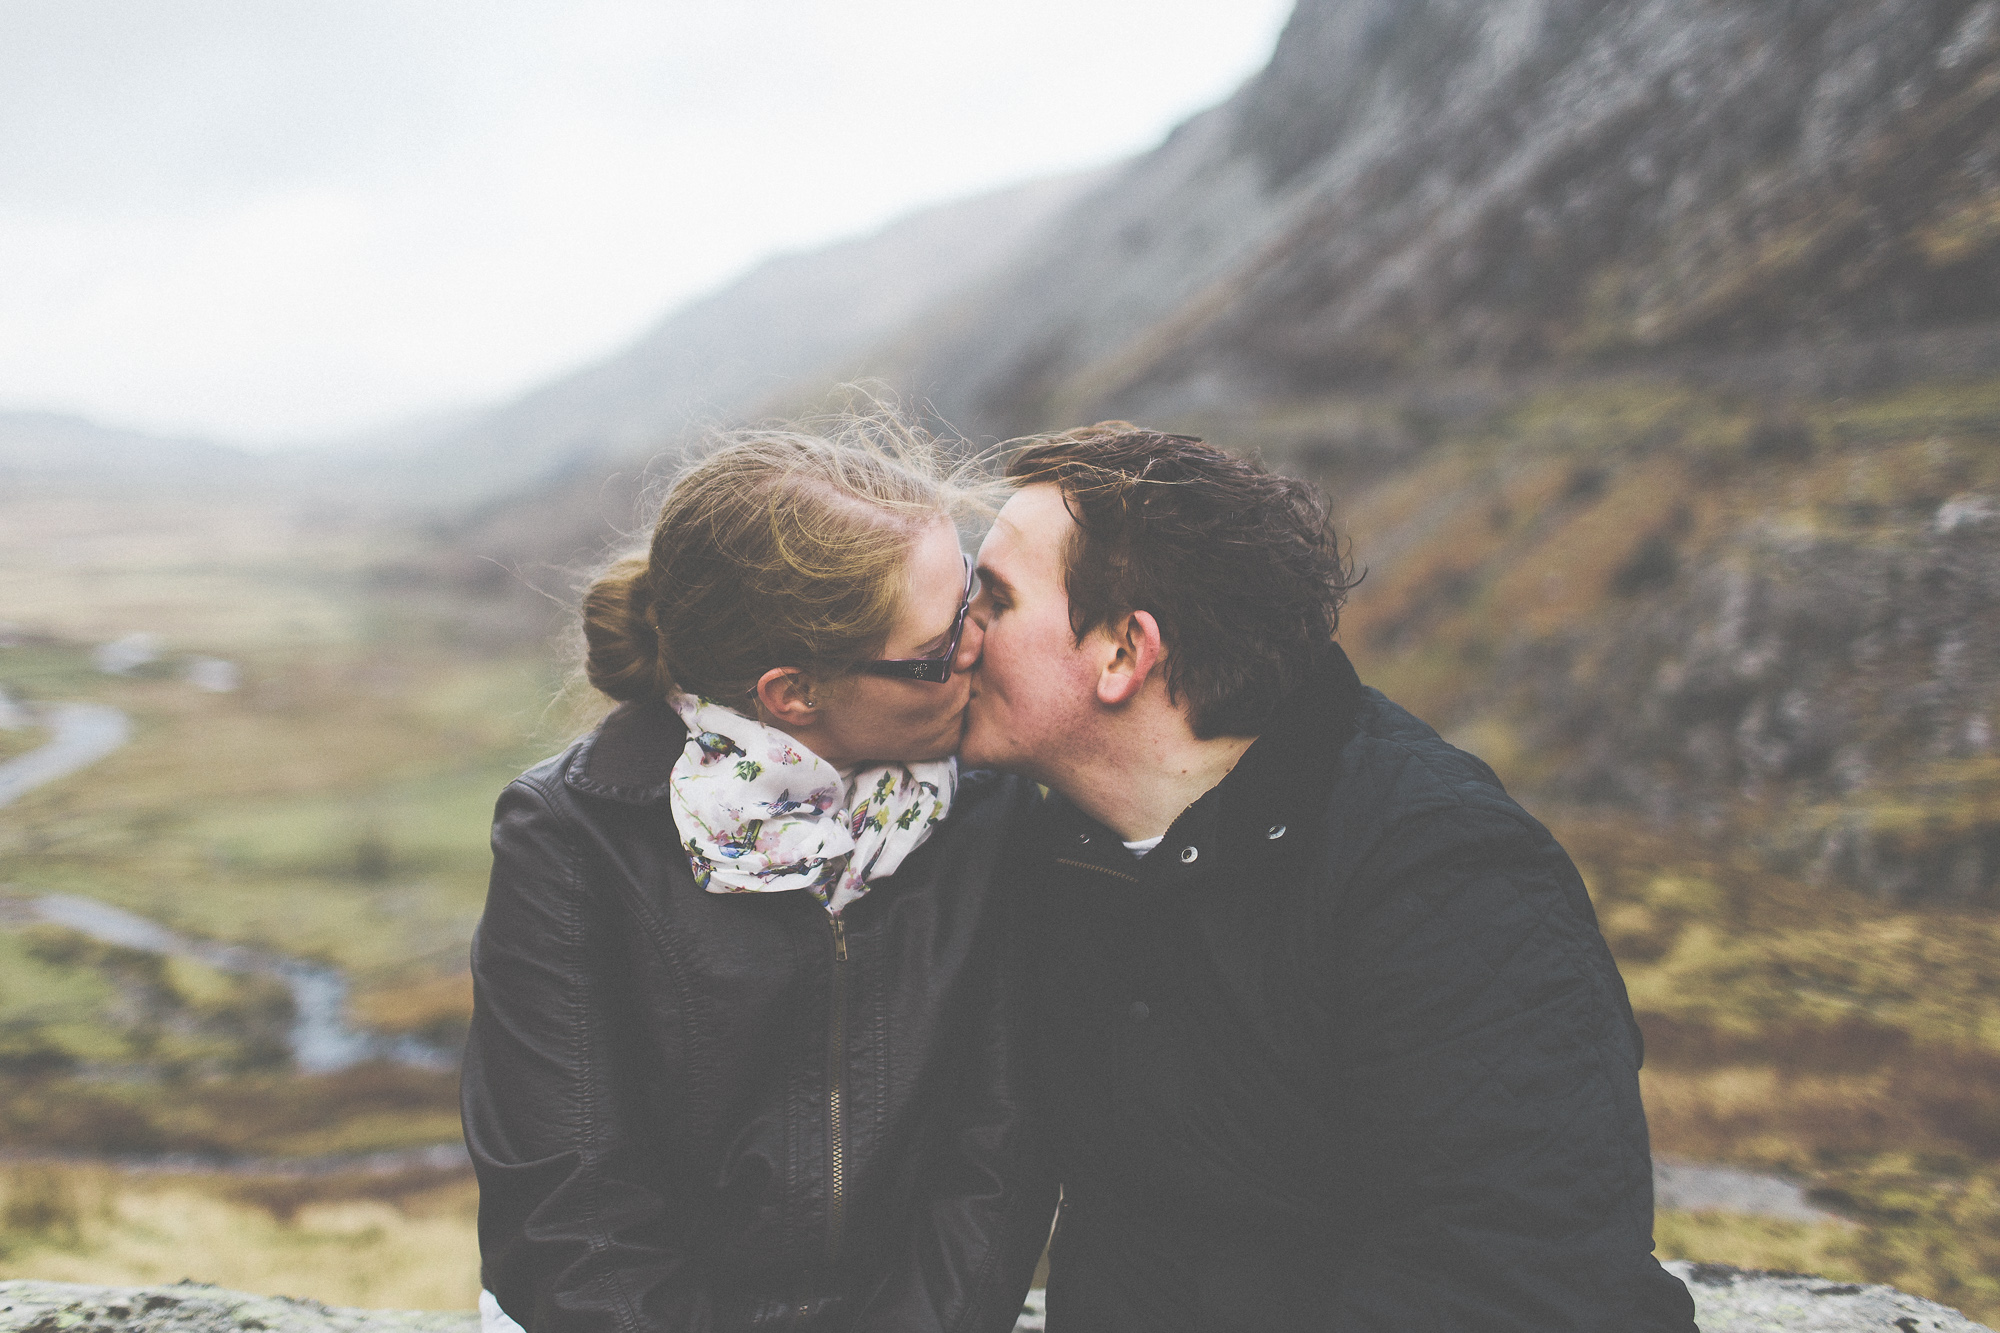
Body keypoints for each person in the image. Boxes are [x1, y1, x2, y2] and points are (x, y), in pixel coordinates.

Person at [960, 423, 1697, 1331]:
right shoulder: (1062, 850)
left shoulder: (1444, 874)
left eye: (993, 600)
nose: (960, 636)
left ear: (1124, 652)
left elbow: (1519, 1275)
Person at [461, 422, 1054, 1333]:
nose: (982, 644)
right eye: (939, 647)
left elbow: (998, 1156)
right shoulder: (572, 835)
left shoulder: (991, 810)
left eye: (972, 591)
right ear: (794, 695)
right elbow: (565, 1213)